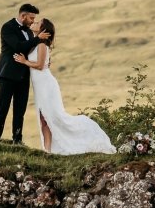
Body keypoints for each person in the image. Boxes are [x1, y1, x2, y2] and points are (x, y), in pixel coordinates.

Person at [13, 18, 116, 155]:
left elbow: (40, 65)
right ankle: (47, 151)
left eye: (38, 23)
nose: (34, 22)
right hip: (39, 87)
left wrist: (24, 61)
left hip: (46, 85)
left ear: (43, 30)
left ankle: (88, 132)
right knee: (44, 119)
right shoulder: (36, 43)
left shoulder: (42, 44)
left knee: (56, 117)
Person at [0, 3, 51, 144]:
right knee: (3, 108)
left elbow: (31, 50)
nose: (32, 21)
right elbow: (17, 46)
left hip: (24, 76)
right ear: (23, 16)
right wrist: (37, 38)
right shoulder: (8, 27)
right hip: (7, 75)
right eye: (31, 18)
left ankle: (17, 140)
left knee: (20, 110)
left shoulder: (30, 32)